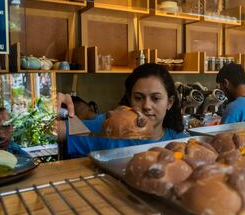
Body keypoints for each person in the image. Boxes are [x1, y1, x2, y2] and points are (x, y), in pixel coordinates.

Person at [56, 63, 188, 158]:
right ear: (130, 99)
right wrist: (47, 109)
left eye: (155, 98)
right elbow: (51, 131)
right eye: (138, 98)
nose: (147, 106)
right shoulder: (107, 128)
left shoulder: (179, 142)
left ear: (169, 103)